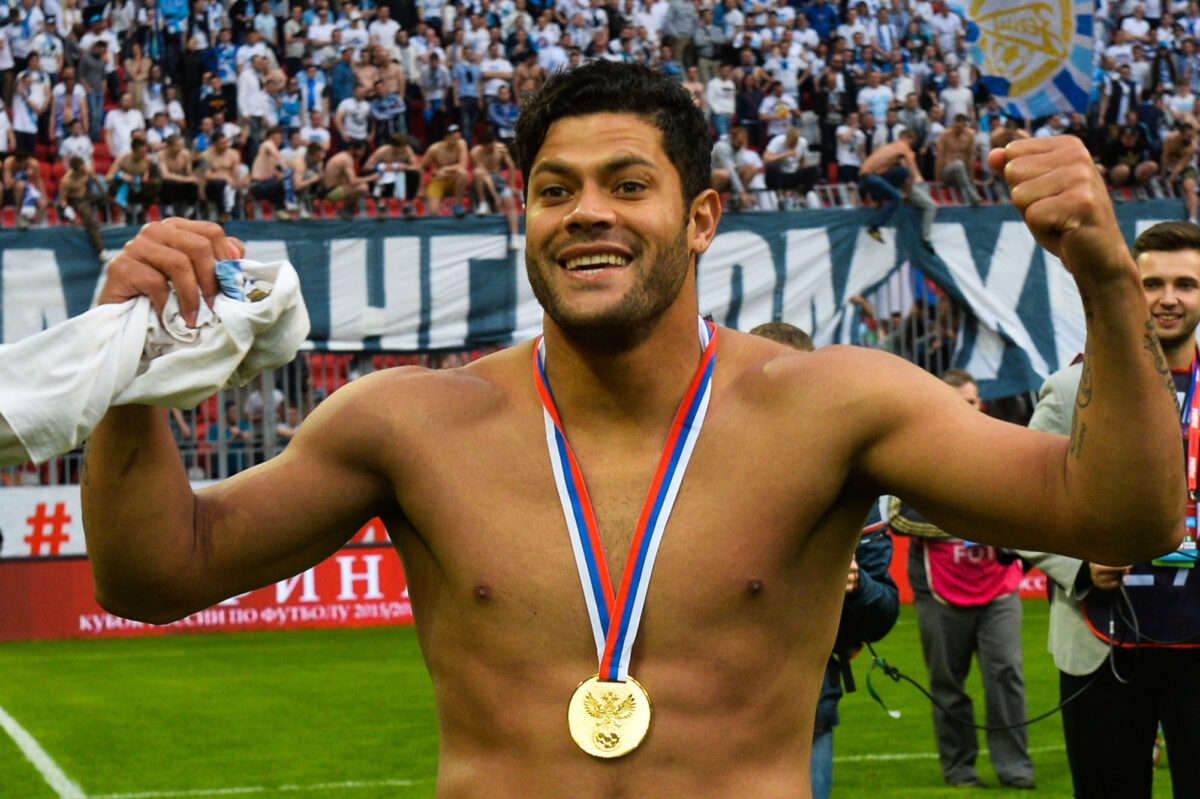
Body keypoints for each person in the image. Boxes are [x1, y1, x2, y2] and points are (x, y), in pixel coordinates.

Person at [80, 61, 1184, 797]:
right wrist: (129, 371)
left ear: (700, 217)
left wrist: (1105, 278)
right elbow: (154, 573)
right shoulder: (410, 421)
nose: (588, 213)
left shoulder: (832, 404)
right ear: (525, 217)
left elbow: (1124, 517)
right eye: (555, 190)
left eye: (627, 183)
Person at [1018, 221, 1200, 799]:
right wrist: (1079, 563)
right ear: (1130, 290)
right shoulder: (1073, 388)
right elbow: (1021, 501)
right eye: (1152, 284)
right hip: (1102, 643)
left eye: (1186, 284)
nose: (1168, 298)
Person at [748, 320, 898, 799]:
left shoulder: (851, 478)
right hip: (708, 706)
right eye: (767, 372)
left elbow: (882, 615)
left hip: (806, 705)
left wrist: (856, 585)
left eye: (795, 375)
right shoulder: (695, 464)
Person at [890, 369, 1035, 789]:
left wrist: (997, 526)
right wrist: (970, 518)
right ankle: (959, 770)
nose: (972, 408)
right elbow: (898, 516)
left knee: (1006, 675)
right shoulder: (915, 453)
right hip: (938, 587)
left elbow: (1024, 509)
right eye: (961, 402)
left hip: (998, 583)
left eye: (973, 401)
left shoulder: (1004, 447)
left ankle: (1015, 769)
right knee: (947, 684)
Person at [857, 128, 937, 251]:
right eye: (911, 144)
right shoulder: (903, 147)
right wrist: (907, 194)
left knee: (902, 171)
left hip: (866, 177)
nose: (911, 148)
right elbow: (912, 173)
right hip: (870, 178)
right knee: (897, 197)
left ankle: (878, 197)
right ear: (907, 139)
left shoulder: (888, 147)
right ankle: (874, 226)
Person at [469, 129, 521, 244]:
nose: (491, 148)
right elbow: (484, 174)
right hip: (483, 181)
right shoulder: (476, 152)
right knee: (477, 172)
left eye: (492, 145)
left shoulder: (500, 148)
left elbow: (511, 165)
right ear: (482, 146)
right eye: (488, 147)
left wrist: (512, 185)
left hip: (498, 179)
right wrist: (495, 196)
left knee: (510, 202)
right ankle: (482, 202)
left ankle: (514, 236)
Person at [419, 123, 469, 217]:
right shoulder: (434, 149)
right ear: (446, 138)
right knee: (433, 211)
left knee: (462, 173)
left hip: (454, 178)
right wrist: (421, 188)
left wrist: (445, 169)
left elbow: (463, 165)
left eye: (457, 138)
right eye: (453, 138)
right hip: (439, 179)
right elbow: (422, 167)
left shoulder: (462, 144)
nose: (456, 141)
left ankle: (458, 205)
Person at [935, 113, 982, 206]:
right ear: (953, 124)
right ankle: (972, 194)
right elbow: (939, 157)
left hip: (962, 173)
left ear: (965, 126)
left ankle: (968, 201)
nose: (957, 129)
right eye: (956, 126)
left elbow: (970, 158)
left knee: (960, 169)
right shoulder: (945, 135)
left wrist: (972, 178)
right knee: (958, 164)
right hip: (947, 172)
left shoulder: (970, 136)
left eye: (960, 127)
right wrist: (938, 179)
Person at [321, 138, 375, 219]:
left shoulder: (343, 156)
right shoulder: (347, 160)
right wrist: (372, 177)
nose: (362, 153)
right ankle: (345, 209)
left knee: (358, 185)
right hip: (331, 194)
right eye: (361, 150)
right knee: (363, 187)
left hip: (333, 189)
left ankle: (351, 209)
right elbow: (353, 181)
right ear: (352, 149)